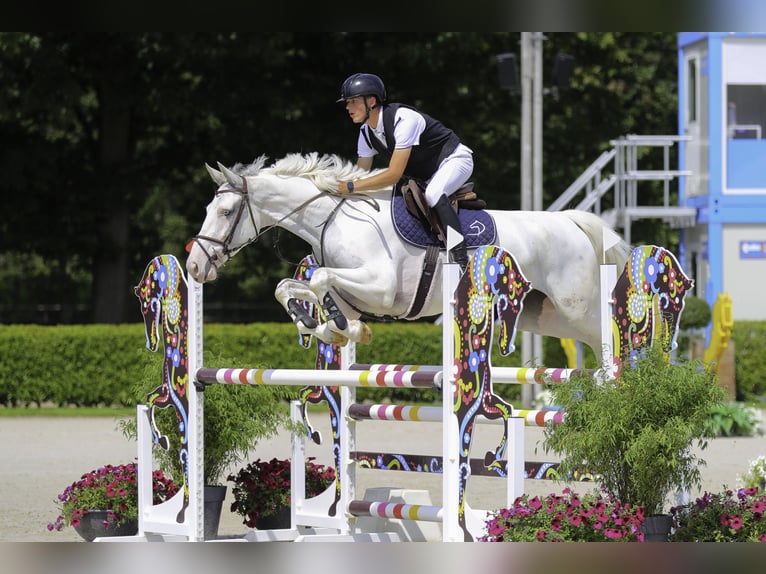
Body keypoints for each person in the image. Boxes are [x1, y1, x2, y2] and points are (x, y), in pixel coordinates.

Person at [335, 72, 473, 270]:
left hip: (455, 159)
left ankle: (460, 259)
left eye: (353, 101)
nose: (348, 107)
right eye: (347, 103)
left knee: (434, 194)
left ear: (371, 101)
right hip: (426, 174)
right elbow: (360, 175)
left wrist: (350, 186)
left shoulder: (403, 119)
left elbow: (393, 174)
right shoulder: (366, 132)